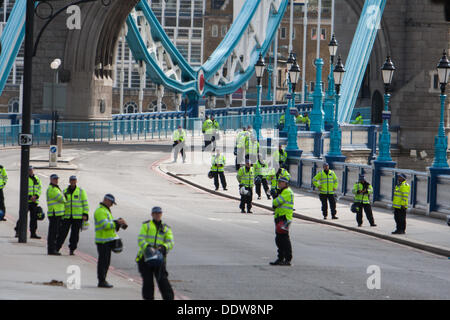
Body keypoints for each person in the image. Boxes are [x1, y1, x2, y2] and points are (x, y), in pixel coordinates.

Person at [136, 206, 174, 300]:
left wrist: (163, 248)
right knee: (148, 282)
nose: (157, 215)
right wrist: (148, 248)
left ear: (161, 214)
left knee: (163, 281)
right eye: (155, 213)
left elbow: (170, 242)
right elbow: (141, 239)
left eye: (159, 213)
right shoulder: (146, 225)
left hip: (159, 258)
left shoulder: (166, 228)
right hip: (145, 258)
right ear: (152, 214)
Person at [94, 194, 127, 288]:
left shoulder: (105, 210)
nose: (112, 205)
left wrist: (117, 224)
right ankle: (101, 281)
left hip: (107, 240)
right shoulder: (100, 211)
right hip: (102, 241)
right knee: (103, 262)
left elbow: (109, 224)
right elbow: (105, 225)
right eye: (111, 203)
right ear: (106, 200)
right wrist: (117, 222)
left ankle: (103, 279)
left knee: (106, 262)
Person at [56, 176, 89, 255]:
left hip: (77, 217)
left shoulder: (81, 191)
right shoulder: (65, 191)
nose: (73, 182)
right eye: (71, 180)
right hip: (67, 216)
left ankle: (72, 249)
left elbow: (85, 203)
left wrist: (85, 214)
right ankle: (57, 247)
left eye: (74, 180)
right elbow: (62, 203)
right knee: (62, 233)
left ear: (76, 181)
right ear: (69, 181)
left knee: (75, 235)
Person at [270, 176, 294, 266]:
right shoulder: (283, 191)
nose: (279, 183)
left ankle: (287, 259)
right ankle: (280, 258)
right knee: (279, 239)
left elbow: (276, 203)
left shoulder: (287, 192)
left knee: (284, 239)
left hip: (284, 218)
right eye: (278, 182)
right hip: (280, 217)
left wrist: (275, 196)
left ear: (285, 183)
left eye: (281, 182)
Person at [46, 174, 66, 255]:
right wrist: (64, 197)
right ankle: (51, 250)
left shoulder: (55, 188)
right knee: (53, 233)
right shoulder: (52, 189)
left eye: (57, 179)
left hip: (57, 214)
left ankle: (53, 249)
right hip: (54, 213)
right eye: (54, 179)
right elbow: (62, 199)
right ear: (51, 180)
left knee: (55, 232)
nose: (56, 180)